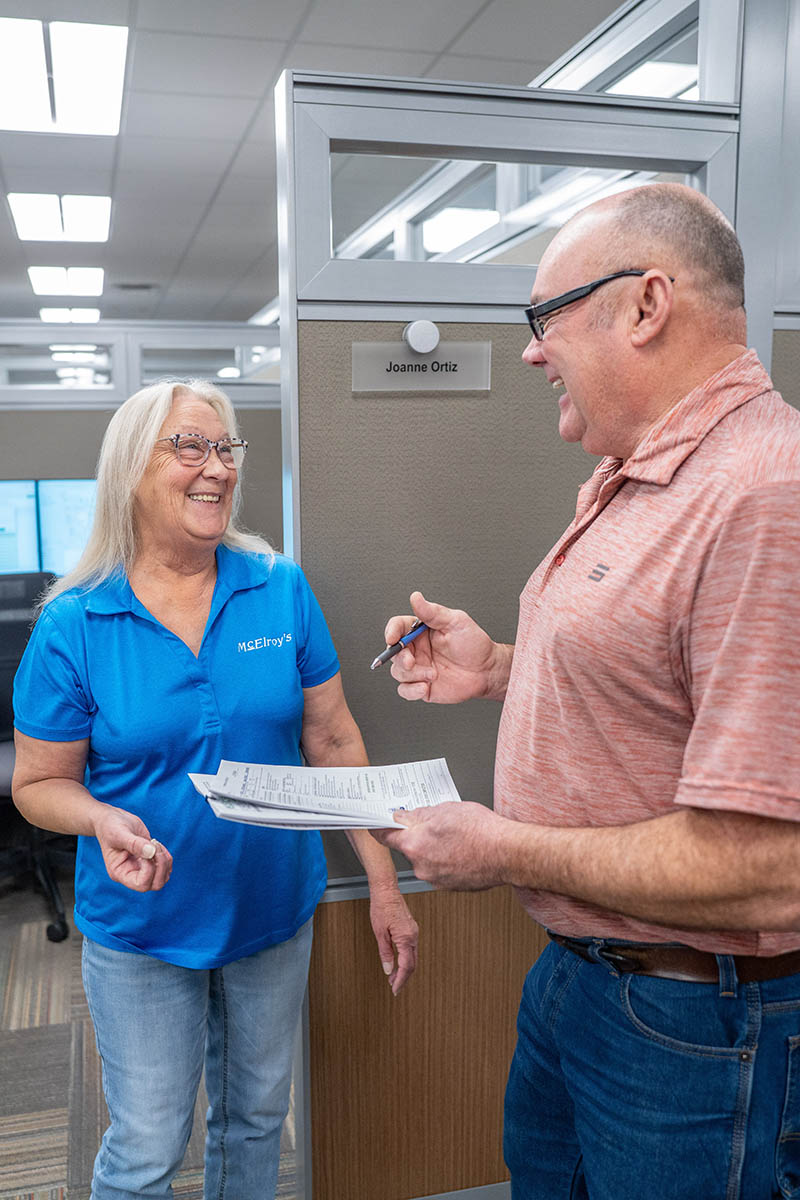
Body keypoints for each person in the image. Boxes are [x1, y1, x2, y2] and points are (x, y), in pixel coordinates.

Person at [374, 183, 800, 1199]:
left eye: (543, 317)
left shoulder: (761, 498)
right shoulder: (638, 477)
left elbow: (770, 866)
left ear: (645, 306)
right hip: (585, 979)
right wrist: (500, 668)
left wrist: (500, 848)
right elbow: (677, 688)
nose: (529, 351)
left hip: (693, 1025)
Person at [12, 379, 418, 1200]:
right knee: (147, 1148)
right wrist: (99, 819)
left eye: (225, 448)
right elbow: (38, 784)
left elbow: (333, 739)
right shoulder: (75, 622)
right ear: (132, 470)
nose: (216, 468)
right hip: (144, 928)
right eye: (189, 447)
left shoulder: (276, 585)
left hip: (271, 909)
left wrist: (383, 881)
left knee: (257, 1123)